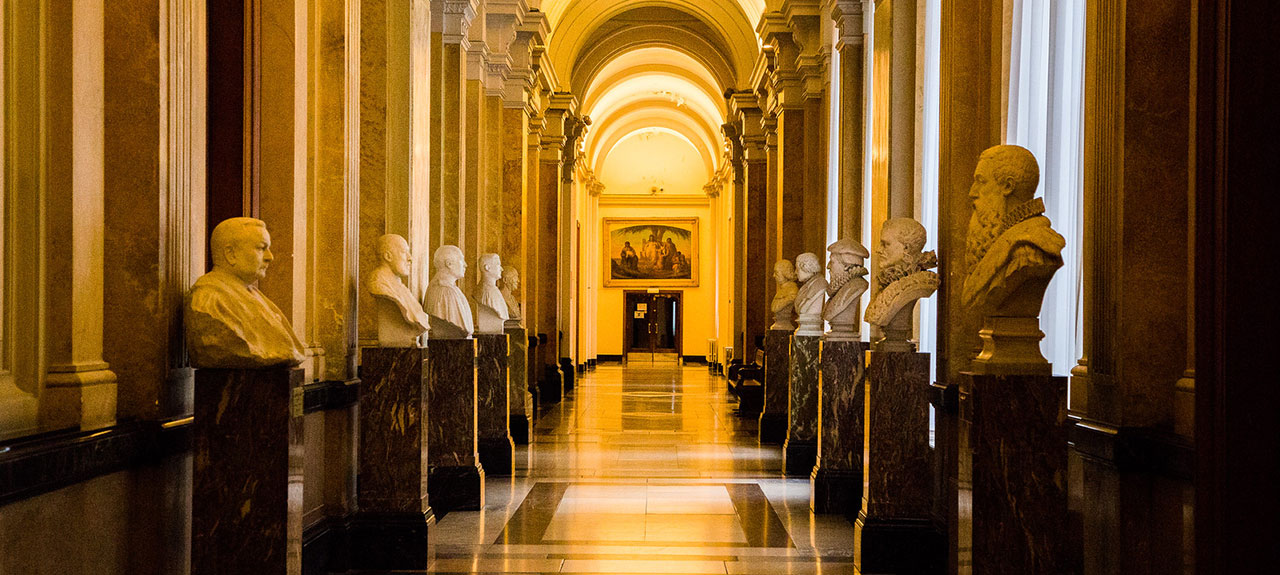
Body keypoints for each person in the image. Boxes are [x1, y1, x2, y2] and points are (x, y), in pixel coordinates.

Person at [185, 217, 305, 368]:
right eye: (261, 248)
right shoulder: (209, 299)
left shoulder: (254, 295)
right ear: (231, 254)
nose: (270, 257)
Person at [368, 234, 430, 347]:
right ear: (388, 256)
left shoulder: (398, 285)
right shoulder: (379, 283)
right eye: (403, 252)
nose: (410, 258)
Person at [423, 245, 474, 338]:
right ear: (449, 264)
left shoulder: (451, 289)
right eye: (461, 260)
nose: (465, 264)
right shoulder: (444, 292)